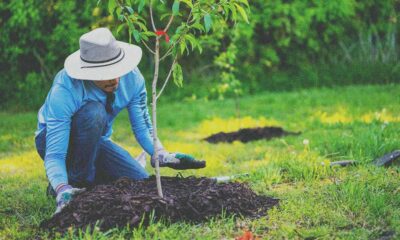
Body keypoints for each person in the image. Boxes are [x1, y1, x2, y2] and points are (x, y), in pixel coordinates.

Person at [34, 28, 205, 214]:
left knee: (140, 181)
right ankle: (71, 183)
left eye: (117, 70)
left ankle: (86, 179)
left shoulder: (132, 78)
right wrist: (62, 188)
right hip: (54, 141)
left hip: (97, 141)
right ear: (87, 72)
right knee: (94, 113)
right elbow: (55, 154)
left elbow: (142, 126)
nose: (114, 79)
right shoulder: (66, 88)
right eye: (104, 73)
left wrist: (161, 154)